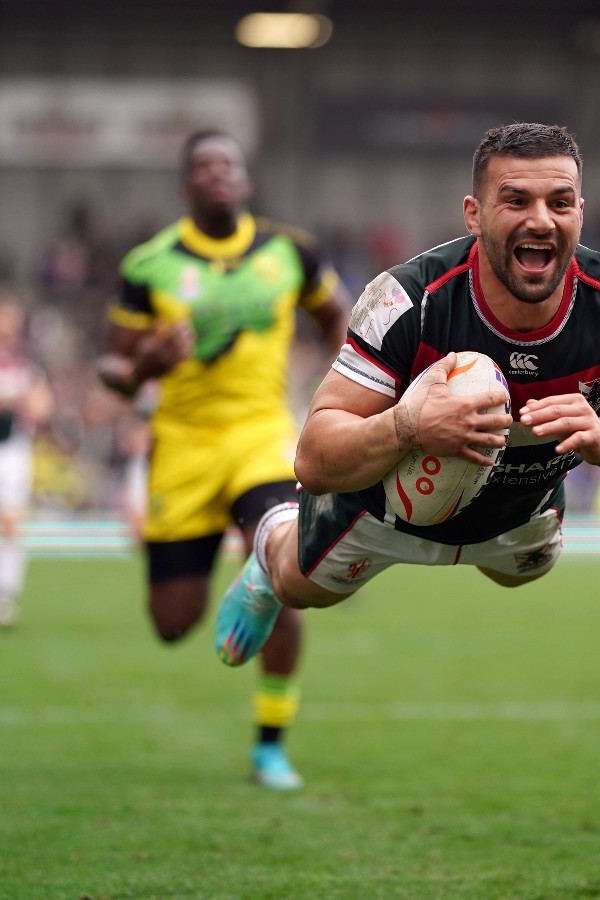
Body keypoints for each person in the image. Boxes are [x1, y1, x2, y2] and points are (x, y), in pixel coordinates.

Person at [210, 124, 600, 712]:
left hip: (516, 517)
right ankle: (270, 544)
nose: (540, 220)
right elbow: (314, 457)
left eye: (559, 203)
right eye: (516, 201)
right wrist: (408, 426)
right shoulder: (408, 299)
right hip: (383, 512)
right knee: (300, 589)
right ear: (474, 215)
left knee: (520, 575)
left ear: (581, 213)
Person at [96, 129, 349, 790]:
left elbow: (341, 326)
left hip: (260, 434)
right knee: (173, 623)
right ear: (186, 186)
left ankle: (271, 744)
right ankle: (254, 574)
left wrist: (344, 398)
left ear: (245, 178)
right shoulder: (150, 263)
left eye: (227, 164)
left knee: (284, 567)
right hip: (181, 446)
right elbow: (112, 368)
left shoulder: (290, 251)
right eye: (203, 166)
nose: (217, 174)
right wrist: (144, 364)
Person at [0, 299, 55, 628]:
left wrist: (14, 401)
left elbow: (42, 406)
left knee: (10, 523)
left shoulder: (26, 366)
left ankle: (5, 595)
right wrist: (11, 399)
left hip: (11, 450)